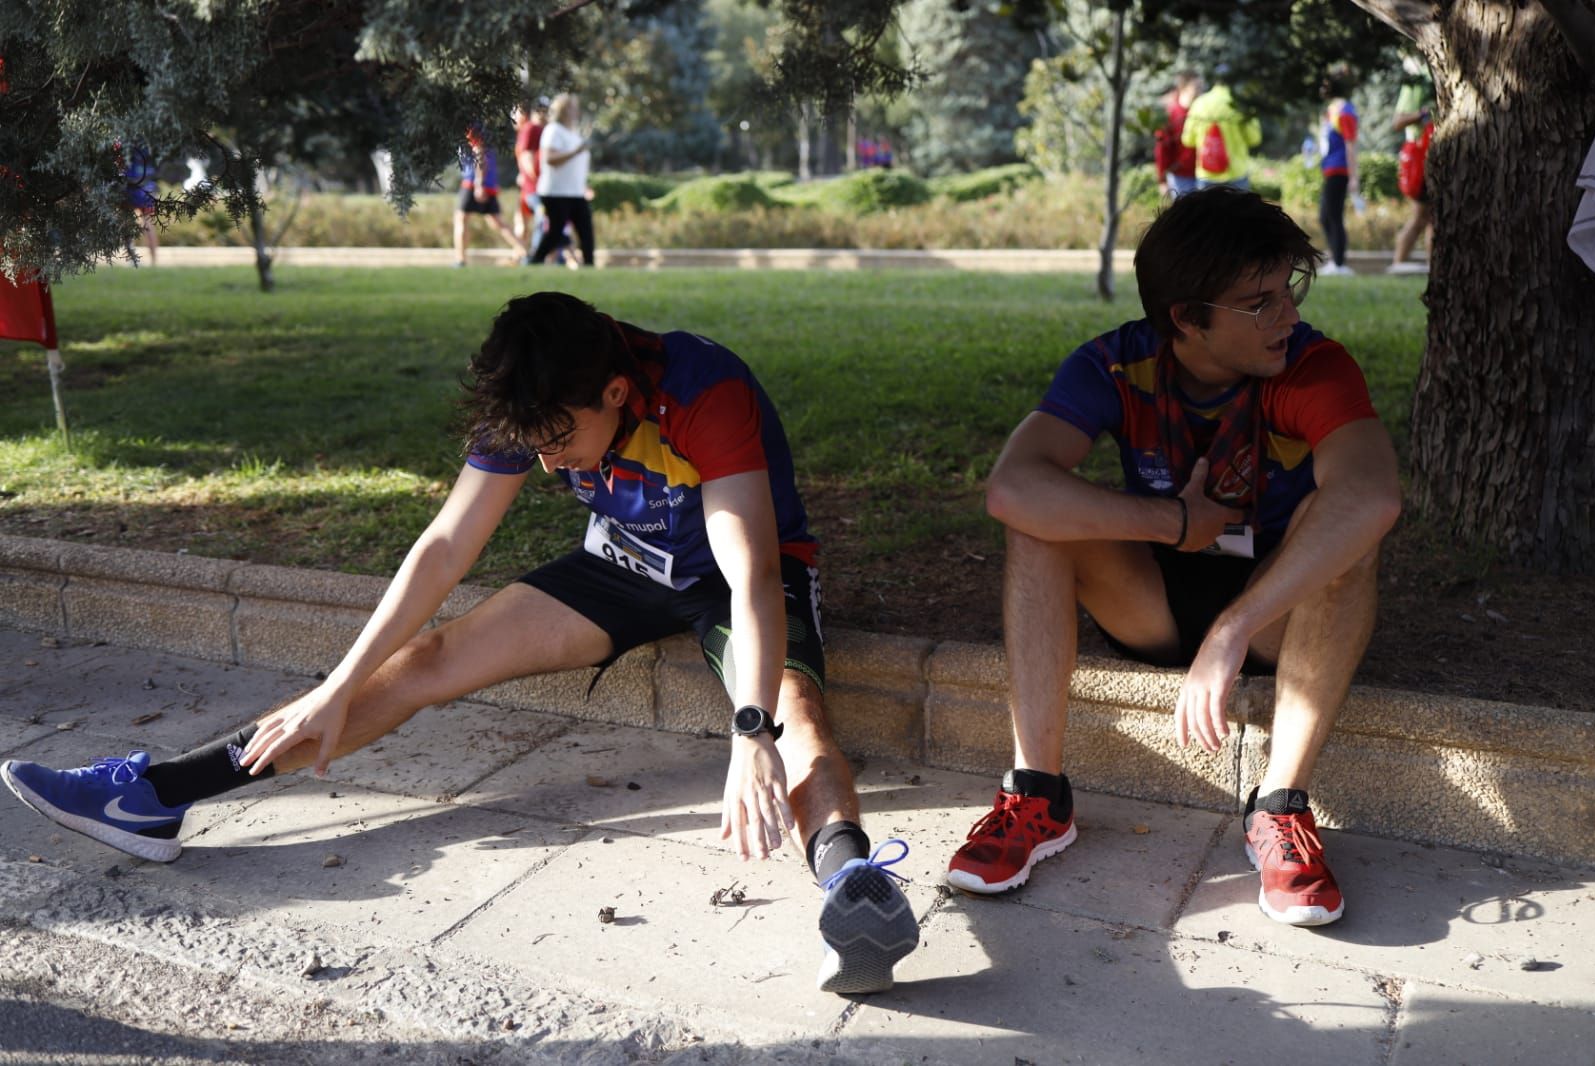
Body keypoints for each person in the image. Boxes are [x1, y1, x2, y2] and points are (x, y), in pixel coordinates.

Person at [1, 292, 919, 995]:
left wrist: (750, 731)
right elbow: (443, 548)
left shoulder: (700, 389)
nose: (550, 463)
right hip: (625, 566)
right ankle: (160, 796)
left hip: (737, 572)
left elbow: (750, 571)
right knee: (426, 663)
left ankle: (853, 886)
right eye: (536, 446)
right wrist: (338, 685)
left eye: (562, 442)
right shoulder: (533, 402)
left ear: (614, 391)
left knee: (797, 718)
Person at [946, 187, 1401, 928]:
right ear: (1189, 318)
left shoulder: (1312, 365)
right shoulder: (1114, 365)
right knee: (1036, 522)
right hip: (1152, 596)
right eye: (1260, 302)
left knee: (1345, 528)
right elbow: (1012, 487)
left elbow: (1374, 495)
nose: (1288, 313)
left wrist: (1231, 630)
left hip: (1273, 616)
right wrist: (1172, 520)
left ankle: (1280, 808)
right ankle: (1036, 797)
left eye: (1289, 288)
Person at [528, 94, 595, 268]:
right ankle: (534, 261)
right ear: (563, 111)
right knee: (555, 232)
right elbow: (549, 158)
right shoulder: (553, 130)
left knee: (586, 232)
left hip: (575, 192)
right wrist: (575, 152)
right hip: (556, 192)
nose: (576, 111)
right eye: (572, 108)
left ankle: (589, 266)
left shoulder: (573, 133)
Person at [452, 122, 527, 268]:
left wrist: (479, 183)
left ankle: (460, 260)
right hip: (487, 183)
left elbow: (479, 153)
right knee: (497, 222)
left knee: (461, 218)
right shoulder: (482, 126)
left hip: (473, 183)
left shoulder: (471, 126)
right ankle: (525, 253)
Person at [1388, 57, 1434, 274]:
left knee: (1428, 218)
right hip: (1422, 156)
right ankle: (1398, 265)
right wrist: (1423, 114)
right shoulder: (1417, 80)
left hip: (1436, 154)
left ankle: (1427, 269)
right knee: (1423, 218)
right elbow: (1397, 122)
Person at [1317, 72, 1365, 276]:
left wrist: (1354, 177)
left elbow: (1350, 147)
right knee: (1325, 217)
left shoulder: (1346, 112)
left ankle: (1339, 263)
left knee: (1333, 217)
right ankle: (1335, 260)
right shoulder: (1333, 111)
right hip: (1330, 169)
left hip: (1340, 170)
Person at [1181, 73, 1261, 190]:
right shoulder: (1241, 104)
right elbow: (1254, 138)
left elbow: (1187, 140)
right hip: (1236, 174)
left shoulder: (1200, 103)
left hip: (1207, 175)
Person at [1154, 71, 1202, 199]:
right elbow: (1162, 149)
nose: (1200, 91)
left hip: (1203, 175)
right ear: (1184, 88)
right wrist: (1162, 180)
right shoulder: (1170, 114)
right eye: (1196, 87)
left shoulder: (1202, 111)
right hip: (1181, 177)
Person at [511, 101, 545, 245]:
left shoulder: (528, 129)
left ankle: (536, 255)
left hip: (534, 186)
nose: (512, 118)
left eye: (514, 114)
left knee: (541, 218)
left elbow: (527, 157)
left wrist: (534, 178)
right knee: (521, 219)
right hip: (528, 185)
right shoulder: (528, 130)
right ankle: (521, 253)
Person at [122, 143, 158, 265]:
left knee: (127, 221)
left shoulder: (127, 143)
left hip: (131, 186)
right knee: (148, 223)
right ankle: (153, 261)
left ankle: (132, 258)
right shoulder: (148, 144)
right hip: (147, 186)